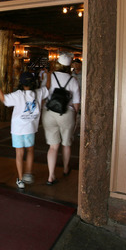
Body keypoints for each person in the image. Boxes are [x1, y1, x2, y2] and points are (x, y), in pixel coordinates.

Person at [0, 72, 49, 189]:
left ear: (21, 83)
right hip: (30, 128)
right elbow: (47, 88)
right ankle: (28, 173)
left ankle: (20, 179)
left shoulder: (18, 95)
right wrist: (48, 75)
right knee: (30, 150)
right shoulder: (38, 93)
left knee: (19, 154)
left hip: (18, 129)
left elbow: (3, 99)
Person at [42, 53, 80, 185]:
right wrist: (74, 117)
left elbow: (44, 93)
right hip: (66, 113)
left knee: (53, 147)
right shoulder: (73, 80)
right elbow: (76, 103)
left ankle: (51, 176)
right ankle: (65, 169)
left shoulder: (50, 77)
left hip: (49, 113)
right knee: (66, 144)